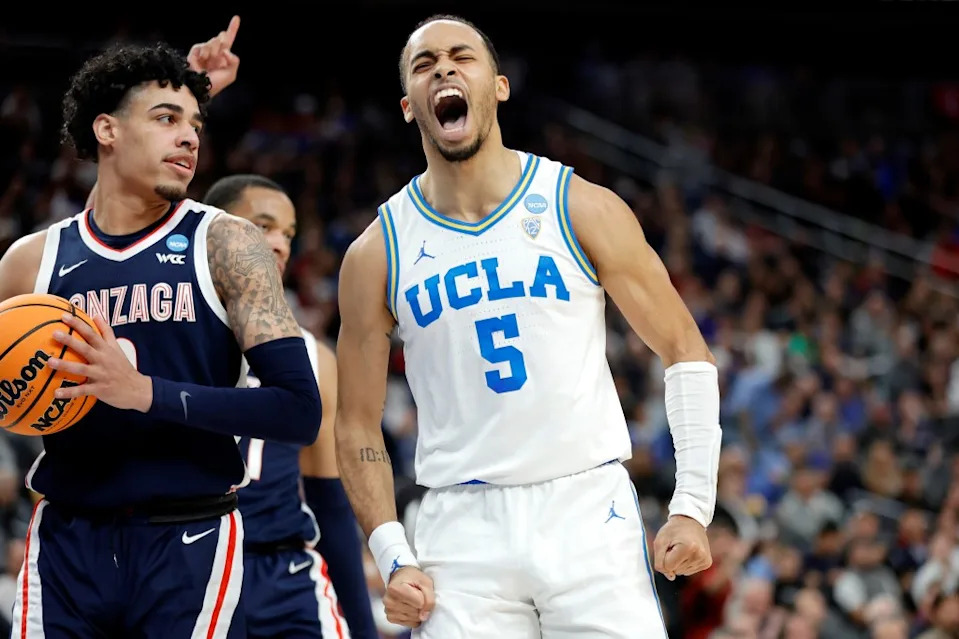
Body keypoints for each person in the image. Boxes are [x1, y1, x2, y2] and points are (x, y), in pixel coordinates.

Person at [334, 14, 722, 638]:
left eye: (462, 56)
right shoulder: (377, 251)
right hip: (459, 529)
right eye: (425, 64)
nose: (445, 70)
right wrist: (392, 553)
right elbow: (355, 420)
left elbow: (684, 349)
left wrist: (693, 507)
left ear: (500, 86)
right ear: (409, 106)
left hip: (585, 508)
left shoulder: (580, 205)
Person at [0, 34, 321, 638]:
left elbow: (299, 411)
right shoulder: (30, 262)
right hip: (65, 540)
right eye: (167, 119)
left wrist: (144, 391)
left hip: (190, 537)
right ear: (107, 131)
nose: (191, 136)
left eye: (196, 122)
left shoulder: (228, 245)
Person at [203, 174, 377, 638]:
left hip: (283, 572)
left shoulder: (313, 355)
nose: (278, 245)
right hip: (192, 563)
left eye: (288, 233)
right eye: (262, 227)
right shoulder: (172, 337)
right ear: (212, 232)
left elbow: (329, 502)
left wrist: (362, 627)